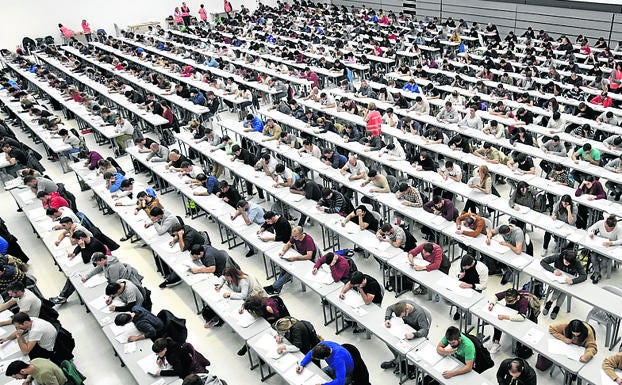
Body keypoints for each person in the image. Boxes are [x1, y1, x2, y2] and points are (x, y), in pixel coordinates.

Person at [264, 227, 316, 294]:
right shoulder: (295, 237)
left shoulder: (308, 240)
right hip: (298, 257)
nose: (294, 237)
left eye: (295, 236)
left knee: (289, 272)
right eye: (293, 236)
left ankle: (274, 286)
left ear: (301, 234)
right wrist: (283, 251)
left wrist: (295, 258)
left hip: (307, 260)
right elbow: (288, 244)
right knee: (284, 268)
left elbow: (309, 256)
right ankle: (277, 289)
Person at [381, 301, 430, 370]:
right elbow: (389, 308)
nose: (403, 318)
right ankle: (399, 360)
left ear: (407, 309)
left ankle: (396, 363)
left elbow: (425, 330)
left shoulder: (419, 313)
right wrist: (387, 319)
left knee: (403, 348)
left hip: (416, 335)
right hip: (405, 330)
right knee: (389, 341)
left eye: (404, 316)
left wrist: (414, 334)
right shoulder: (402, 304)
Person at [487, 288, 538, 354]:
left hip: (521, 316)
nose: (508, 303)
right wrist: (492, 304)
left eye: (510, 302)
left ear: (517, 298)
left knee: (515, 328)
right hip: (511, 312)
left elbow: (522, 317)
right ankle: (496, 343)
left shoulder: (523, 301)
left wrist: (505, 317)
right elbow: (496, 296)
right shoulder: (509, 293)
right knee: (498, 323)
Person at [540, 250, 587, 319]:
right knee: (560, 290)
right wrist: (553, 270)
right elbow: (543, 262)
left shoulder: (576, 262)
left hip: (567, 282)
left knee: (563, 290)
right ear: (564, 256)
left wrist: (573, 281)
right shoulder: (558, 256)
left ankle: (550, 303)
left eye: (569, 263)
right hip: (557, 280)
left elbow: (584, 276)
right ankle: (556, 307)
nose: (567, 264)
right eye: (566, 261)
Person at [587, 215, 622, 283]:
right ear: (605, 223)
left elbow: (621, 240)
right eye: (606, 227)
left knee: (604, 261)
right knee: (593, 257)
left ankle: (597, 273)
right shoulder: (601, 223)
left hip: (610, 248)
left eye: (610, 229)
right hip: (600, 244)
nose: (607, 230)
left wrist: (611, 243)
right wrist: (590, 233)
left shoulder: (619, 228)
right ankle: (597, 272)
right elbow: (590, 228)